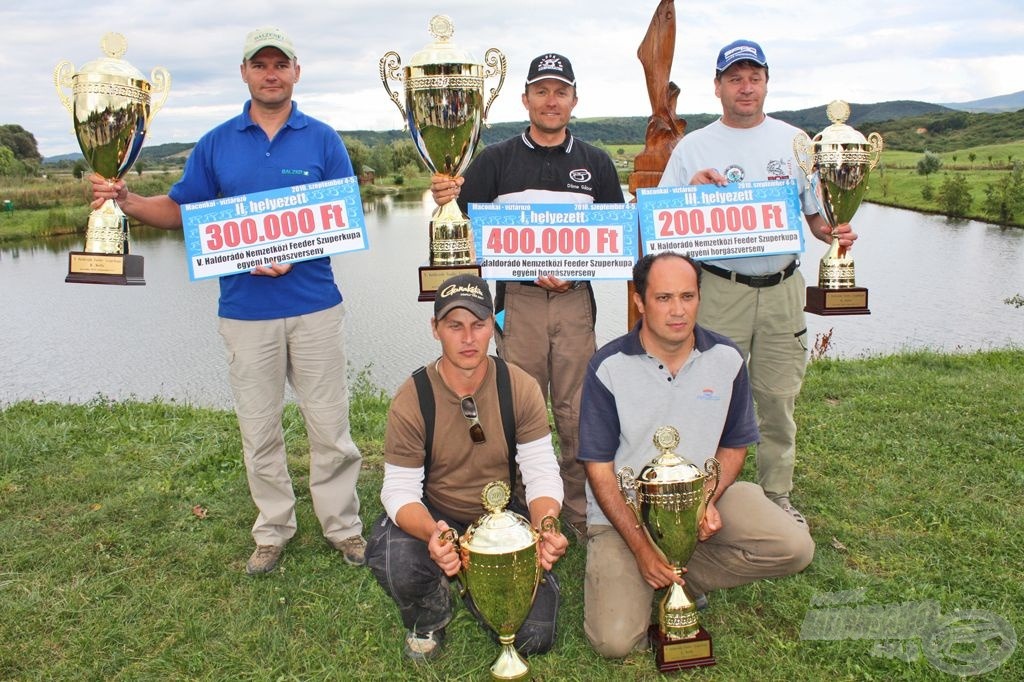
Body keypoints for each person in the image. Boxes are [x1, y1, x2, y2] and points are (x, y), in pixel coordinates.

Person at [89, 27, 365, 574]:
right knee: (259, 429)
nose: (270, 74)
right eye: (259, 65)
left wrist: (296, 248)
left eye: (279, 64)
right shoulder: (216, 142)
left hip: (314, 305)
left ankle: (344, 528)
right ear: (244, 73)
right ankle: (273, 531)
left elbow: (344, 215)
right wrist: (128, 200)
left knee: (329, 427)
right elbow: (179, 212)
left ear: (295, 72)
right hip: (245, 312)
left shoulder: (324, 139)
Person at [658, 39, 859, 525]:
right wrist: (691, 197)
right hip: (720, 288)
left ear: (766, 83)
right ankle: (696, 490)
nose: (745, 87)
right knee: (707, 394)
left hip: (783, 290)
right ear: (718, 87)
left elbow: (816, 218)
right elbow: (661, 221)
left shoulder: (797, 143)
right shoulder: (694, 147)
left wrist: (837, 229)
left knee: (777, 398)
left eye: (754, 77)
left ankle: (776, 495)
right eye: (735, 78)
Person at [578, 253, 815, 658]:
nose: (677, 310)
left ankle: (683, 574)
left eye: (687, 296)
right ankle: (650, 570)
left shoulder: (726, 358)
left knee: (795, 549)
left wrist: (707, 496)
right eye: (664, 297)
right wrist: (640, 547)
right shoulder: (608, 366)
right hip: (625, 517)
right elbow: (599, 469)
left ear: (700, 297)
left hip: (705, 503)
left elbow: (735, 444)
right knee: (614, 643)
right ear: (640, 301)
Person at [431, 53, 625, 541]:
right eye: (542, 90)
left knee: (579, 412)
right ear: (526, 99)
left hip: (576, 303)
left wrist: (574, 270)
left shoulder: (596, 163)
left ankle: (578, 512)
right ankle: (520, 504)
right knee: (519, 407)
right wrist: (444, 198)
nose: (551, 99)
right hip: (516, 303)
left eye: (561, 91)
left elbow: (616, 240)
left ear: (574, 101)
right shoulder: (494, 161)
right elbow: (465, 233)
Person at [365, 273, 569, 661]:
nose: (469, 338)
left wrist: (545, 526)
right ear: (435, 329)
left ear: (494, 326)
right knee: (398, 563)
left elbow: (541, 469)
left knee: (534, 638)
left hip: (503, 518)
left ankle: (488, 587)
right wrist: (433, 535)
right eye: (455, 326)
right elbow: (398, 490)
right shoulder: (412, 398)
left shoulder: (519, 386)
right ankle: (430, 611)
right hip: (438, 513)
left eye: (479, 325)